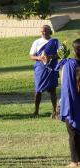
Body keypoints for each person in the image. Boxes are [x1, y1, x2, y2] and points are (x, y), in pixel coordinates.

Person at [29, 25, 61, 117]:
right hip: (40, 68)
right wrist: (39, 57)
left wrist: (50, 57)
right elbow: (31, 56)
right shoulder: (37, 42)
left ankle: (55, 111)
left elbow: (61, 55)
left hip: (52, 68)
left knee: (52, 90)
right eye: (42, 31)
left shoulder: (55, 41)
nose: (43, 33)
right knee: (38, 90)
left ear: (49, 31)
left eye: (45, 31)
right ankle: (36, 111)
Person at [60, 38, 80, 168]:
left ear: (74, 50)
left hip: (72, 102)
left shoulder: (69, 64)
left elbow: (66, 87)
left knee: (73, 133)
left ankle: (74, 161)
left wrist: (63, 103)